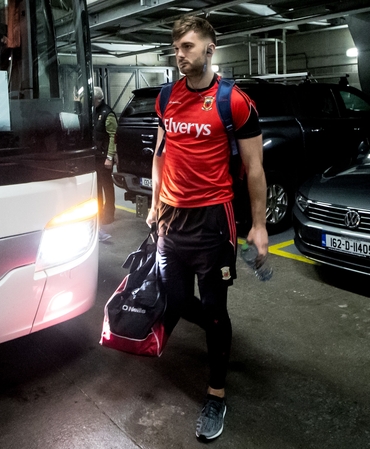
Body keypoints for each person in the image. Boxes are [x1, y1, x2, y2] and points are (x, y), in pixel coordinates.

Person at [145, 16, 267, 440]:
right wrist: (155, 204)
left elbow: (254, 170)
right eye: (176, 46)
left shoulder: (234, 102)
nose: (180, 54)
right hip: (170, 219)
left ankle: (216, 394)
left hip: (214, 222)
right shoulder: (166, 98)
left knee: (215, 313)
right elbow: (161, 154)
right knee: (175, 301)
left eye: (189, 46)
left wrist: (260, 226)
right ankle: (220, 334)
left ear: (211, 49)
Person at [93, 86, 117, 241]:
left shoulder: (108, 113)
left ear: (98, 99)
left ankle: (109, 213)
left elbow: (113, 137)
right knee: (97, 186)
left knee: (107, 185)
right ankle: (99, 212)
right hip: (95, 156)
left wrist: (110, 157)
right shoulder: (94, 112)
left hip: (104, 156)